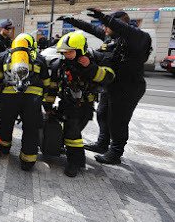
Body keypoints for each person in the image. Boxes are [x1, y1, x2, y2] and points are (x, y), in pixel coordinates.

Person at [57, 8, 151, 164]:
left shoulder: (139, 39)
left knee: (118, 120)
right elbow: (93, 29)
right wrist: (72, 21)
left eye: (107, 25)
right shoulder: (114, 38)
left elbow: (125, 30)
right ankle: (102, 144)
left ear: (119, 24)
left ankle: (115, 153)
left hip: (128, 87)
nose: (104, 29)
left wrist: (103, 17)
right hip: (112, 84)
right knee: (102, 113)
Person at [44, 32, 115, 177]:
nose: (66, 55)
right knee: (68, 132)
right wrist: (48, 106)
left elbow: (109, 77)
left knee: (73, 135)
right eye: (64, 52)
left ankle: (74, 163)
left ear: (79, 49)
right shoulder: (60, 65)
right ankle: (68, 152)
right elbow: (52, 87)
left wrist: (90, 67)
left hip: (83, 107)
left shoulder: (93, 61)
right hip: (65, 104)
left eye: (69, 52)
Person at [0, 33, 50, 171]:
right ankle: (28, 161)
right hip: (32, 99)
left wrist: (0, 93)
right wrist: (45, 99)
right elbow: (46, 82)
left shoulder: (4, 56)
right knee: (31, 128)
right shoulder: (39, 58)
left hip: (9, 97)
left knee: (6, 124)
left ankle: (4, 149)